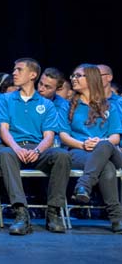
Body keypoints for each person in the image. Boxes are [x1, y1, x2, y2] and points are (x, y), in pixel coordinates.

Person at [0, 58, 70, 235]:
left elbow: (49, 136)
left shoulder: (46, 104)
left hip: (38, 149)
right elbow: (4, 130)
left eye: (19, 69)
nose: (14, 73)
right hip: (14, 148)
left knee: (62, 155)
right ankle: (21, 213)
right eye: (14, 69)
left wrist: (37, 150)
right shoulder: (6, 99)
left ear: (33, 75)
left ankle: (53, 212)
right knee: (4, 154)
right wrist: (17, 148)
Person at [59, 64, 122, 233]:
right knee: (105, 167)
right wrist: (83, 144)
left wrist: (100, 142)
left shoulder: (110, 106)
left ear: (92, 79)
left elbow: (115, 137)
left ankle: (84, 185)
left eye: (78, 76)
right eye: (72, 76)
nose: (74, 79)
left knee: (105, 145)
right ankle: (117, 218)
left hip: (110, 151)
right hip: (79, 152)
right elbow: (64, 136)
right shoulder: (68, 105)